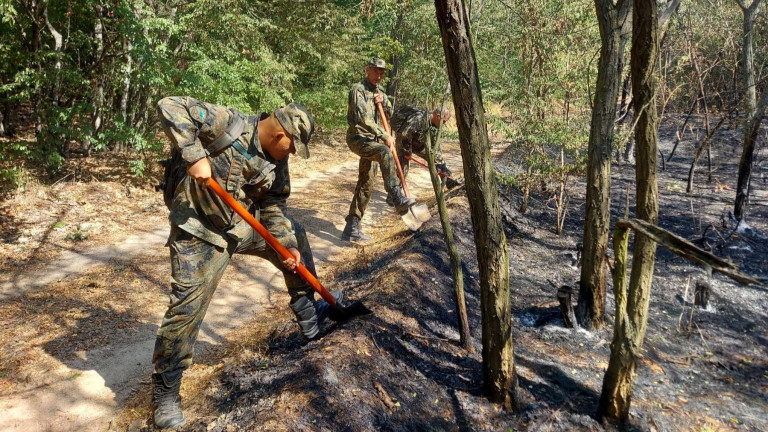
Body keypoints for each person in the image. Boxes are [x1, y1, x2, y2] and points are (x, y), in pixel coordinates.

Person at [151, 97, 342, 429]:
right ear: (281, 133)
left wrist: (286, 246)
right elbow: (169, 105)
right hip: (199, 229)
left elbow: (275, 204)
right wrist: (194, 154)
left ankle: (307, 310)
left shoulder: (277, 162)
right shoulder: (226, 122)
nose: (293, 153)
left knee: (295, 235)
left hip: (239, 226)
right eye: (293, 146)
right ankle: (165, 393)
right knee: (186, 309)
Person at [341, 58, 416, 243]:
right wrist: (384, 135)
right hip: (358, 139)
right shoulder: (358, 89)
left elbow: (391, 114)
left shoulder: (380, 92)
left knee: (366, 183)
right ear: (367, 70)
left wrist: (384, 102)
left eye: (382, 73)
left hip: (373, 142)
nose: (379, 75)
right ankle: (395, 194)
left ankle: (352, 225)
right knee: (384, 152)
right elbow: (362, 119)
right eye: (375, 71)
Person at [389, 103, 462, 192]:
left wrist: (438, 160)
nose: (444, 124)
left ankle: (449, 180)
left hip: (419, 143)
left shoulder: (435, 125)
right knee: (402, 167)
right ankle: (395, 193)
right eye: (444, 121)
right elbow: (405, 135)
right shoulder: (419, 119)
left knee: (439, 161)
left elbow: (435, 145)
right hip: (404, 142)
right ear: (438, 116)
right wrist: (407, 152)